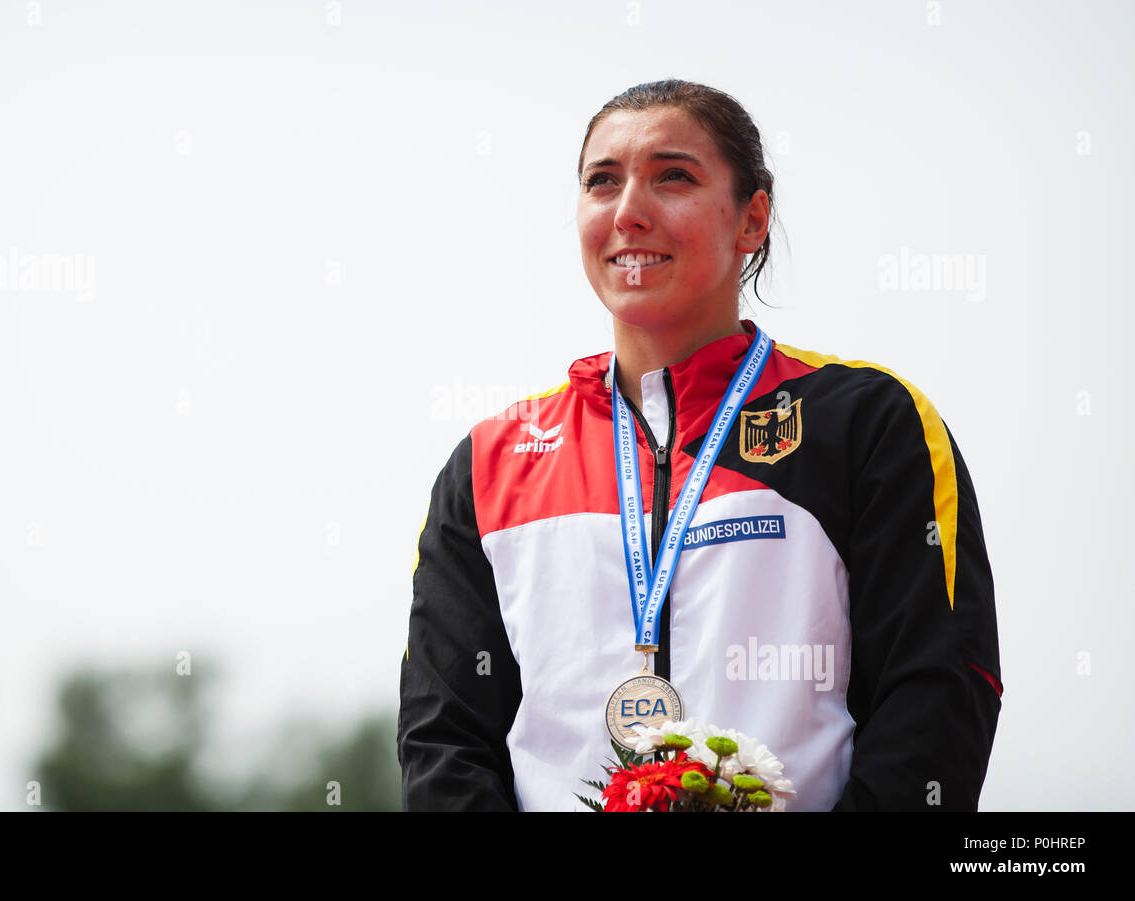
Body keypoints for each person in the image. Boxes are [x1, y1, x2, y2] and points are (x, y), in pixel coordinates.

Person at [397, 78, 1002, 811]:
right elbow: (444, 740)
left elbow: (938, 695)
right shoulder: (494, 462)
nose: (628, 212)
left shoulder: (868, 424)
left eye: (673, 177)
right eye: (602, 182)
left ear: (752, 220)